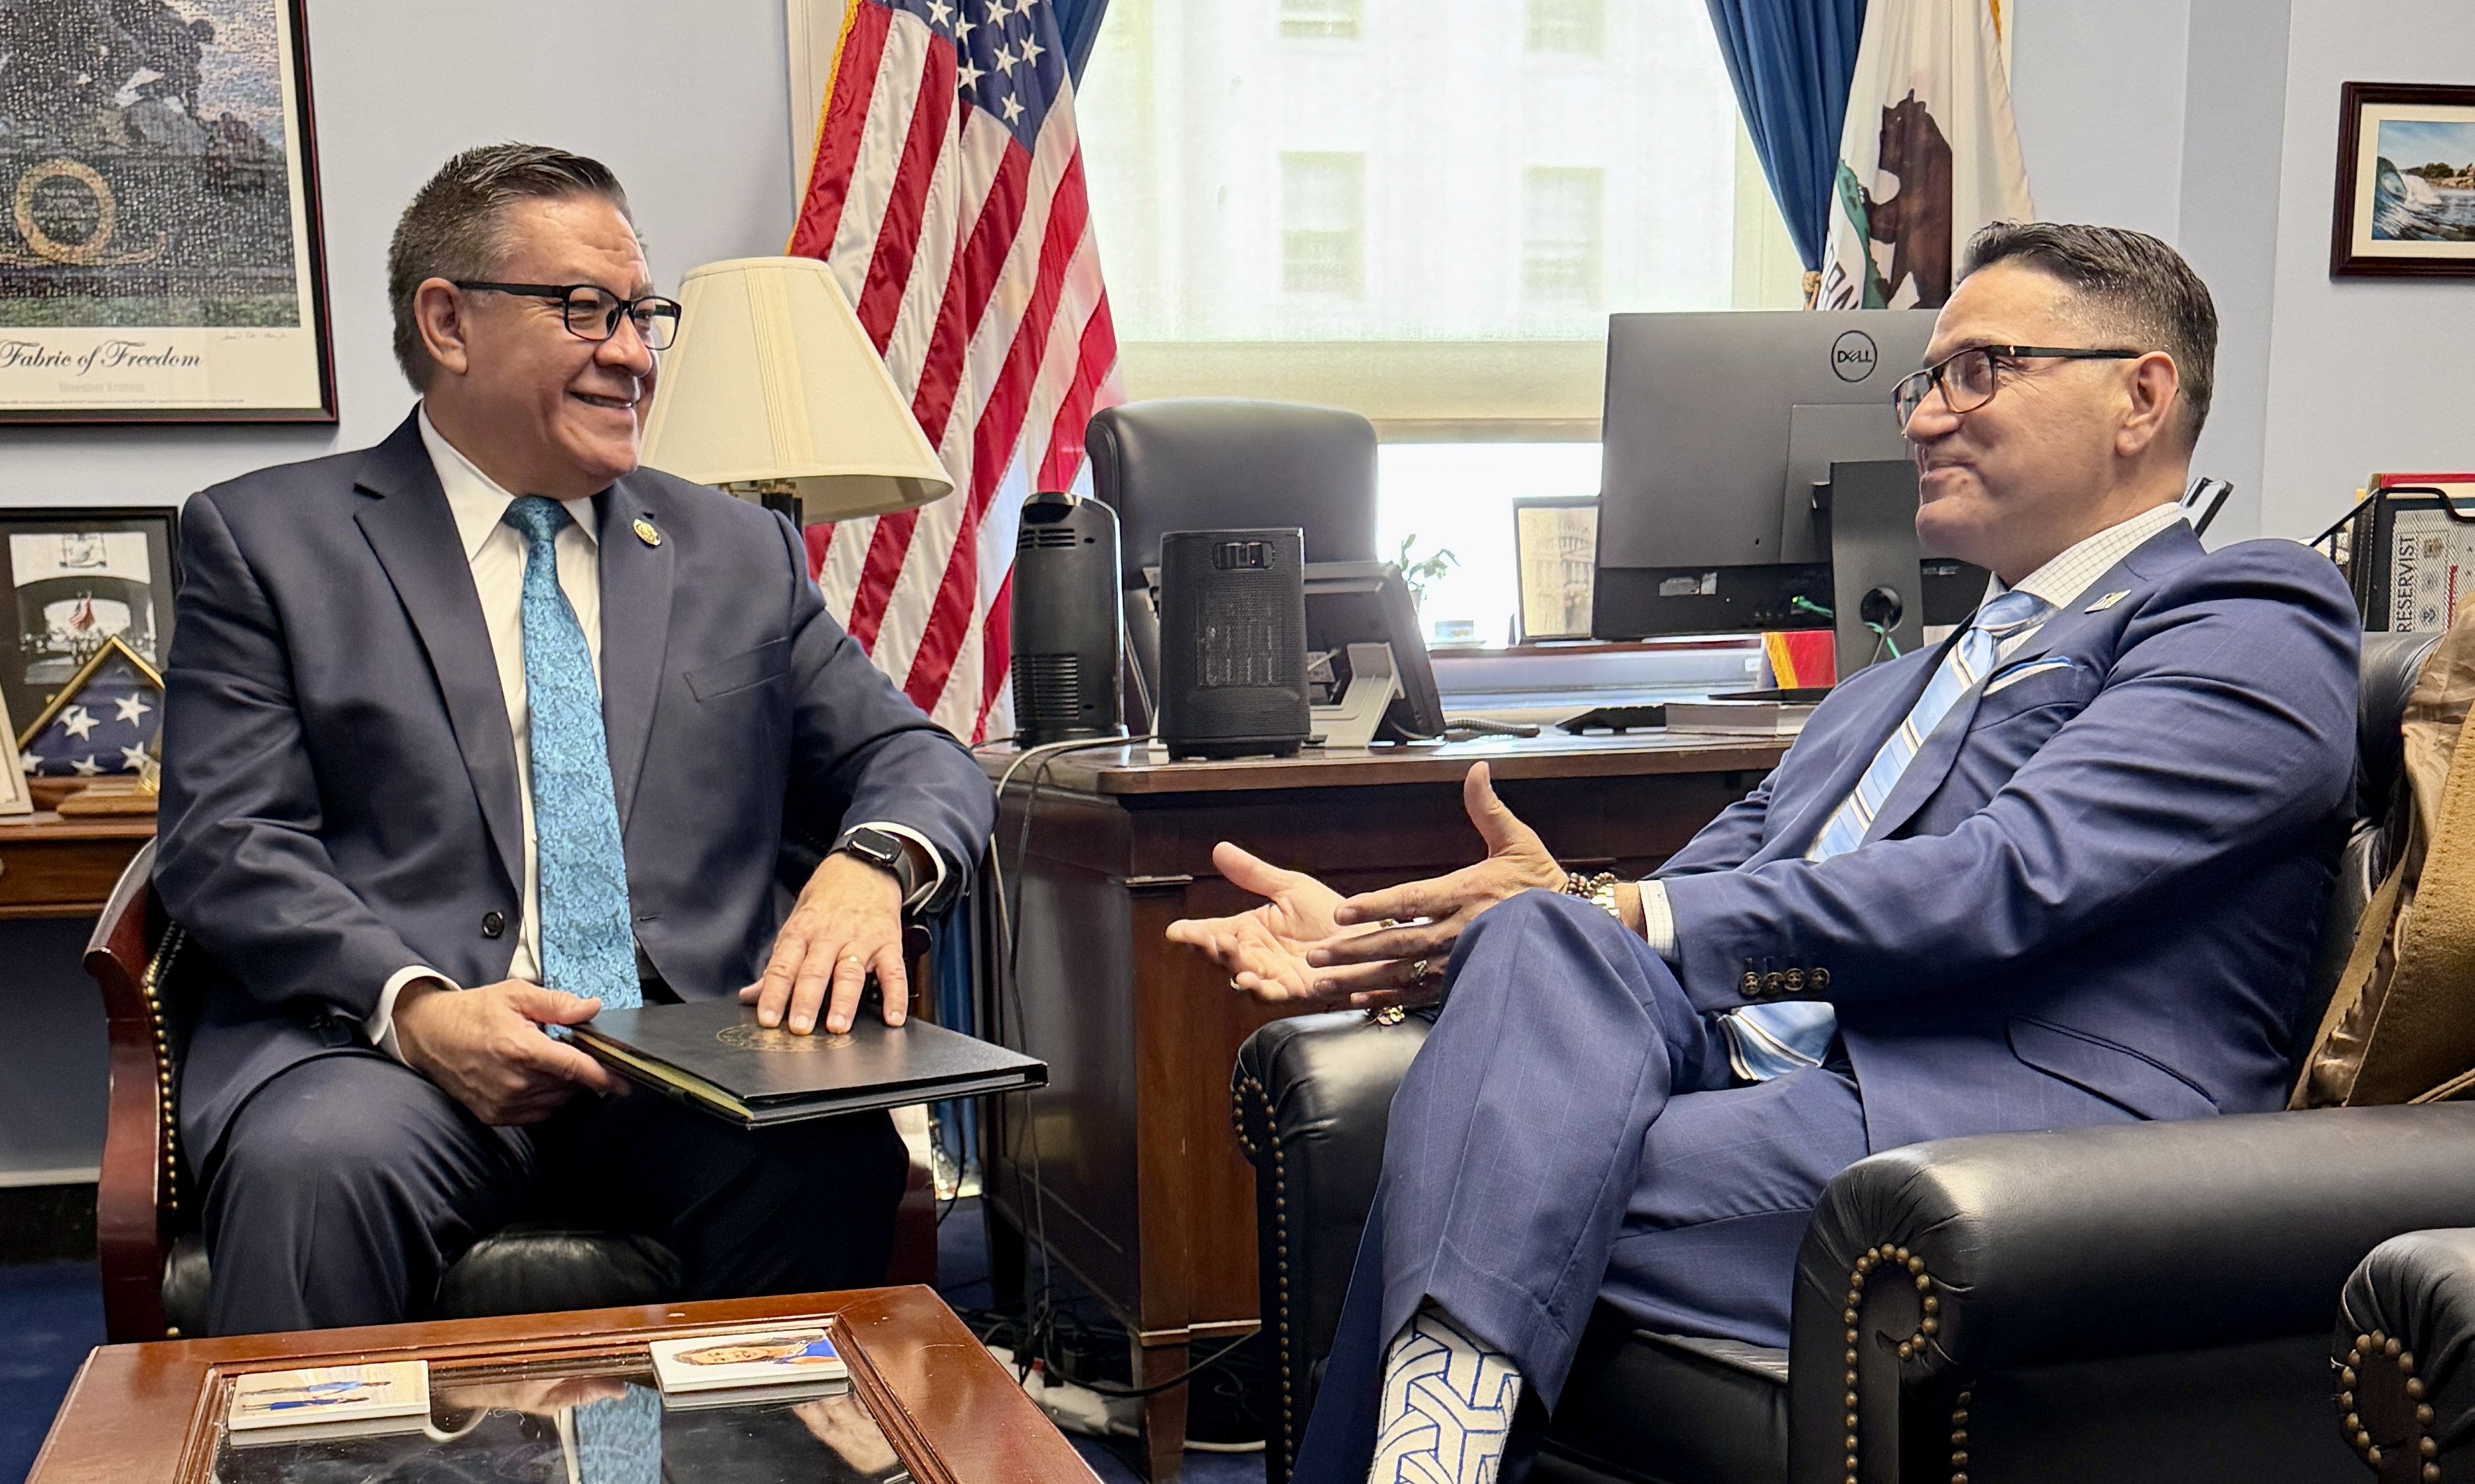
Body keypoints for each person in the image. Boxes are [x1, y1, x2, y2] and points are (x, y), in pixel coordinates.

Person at [1166, 223, 2360, 1484]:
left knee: (1468, 1171)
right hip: (1757, 1083)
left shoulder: (2249, 613)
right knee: (1540, 944)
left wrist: (1619, 912)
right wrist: (1401, 942)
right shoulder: (1882, 693)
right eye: (1923, 382)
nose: (1923, 419)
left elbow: (2014, 872)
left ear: (2141, 395)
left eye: (1978, 371)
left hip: (2007, 1134)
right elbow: (1680, 903)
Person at [156, 143, 995, 1337]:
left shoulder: (737, 553)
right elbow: (227, 840)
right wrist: (415, 1004)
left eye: (643, 314)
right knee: (314, 1170)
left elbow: (915, 756)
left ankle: (765, 1446)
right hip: (383, 1056)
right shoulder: (269, 542)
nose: (636, 354)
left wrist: (873, 862)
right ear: (447, 322)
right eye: (586, 309)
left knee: (826, 1156)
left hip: (683, 1055)